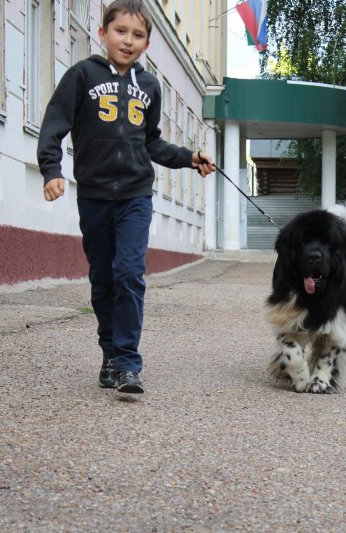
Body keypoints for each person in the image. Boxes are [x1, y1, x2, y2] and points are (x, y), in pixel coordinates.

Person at [37, 0, 215, 394]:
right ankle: (110, 353)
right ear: (102, 34)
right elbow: (53, 127)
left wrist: (189, 158)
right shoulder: (81, 75)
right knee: (102, 279)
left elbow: (151, 142)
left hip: (136, 195)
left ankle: (128, 363)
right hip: (95, 196)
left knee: (129, 273)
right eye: (121, 31)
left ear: (147, 43)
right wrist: (52, 170)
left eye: (138, 35)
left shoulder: (149, 86)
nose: (128, 41)